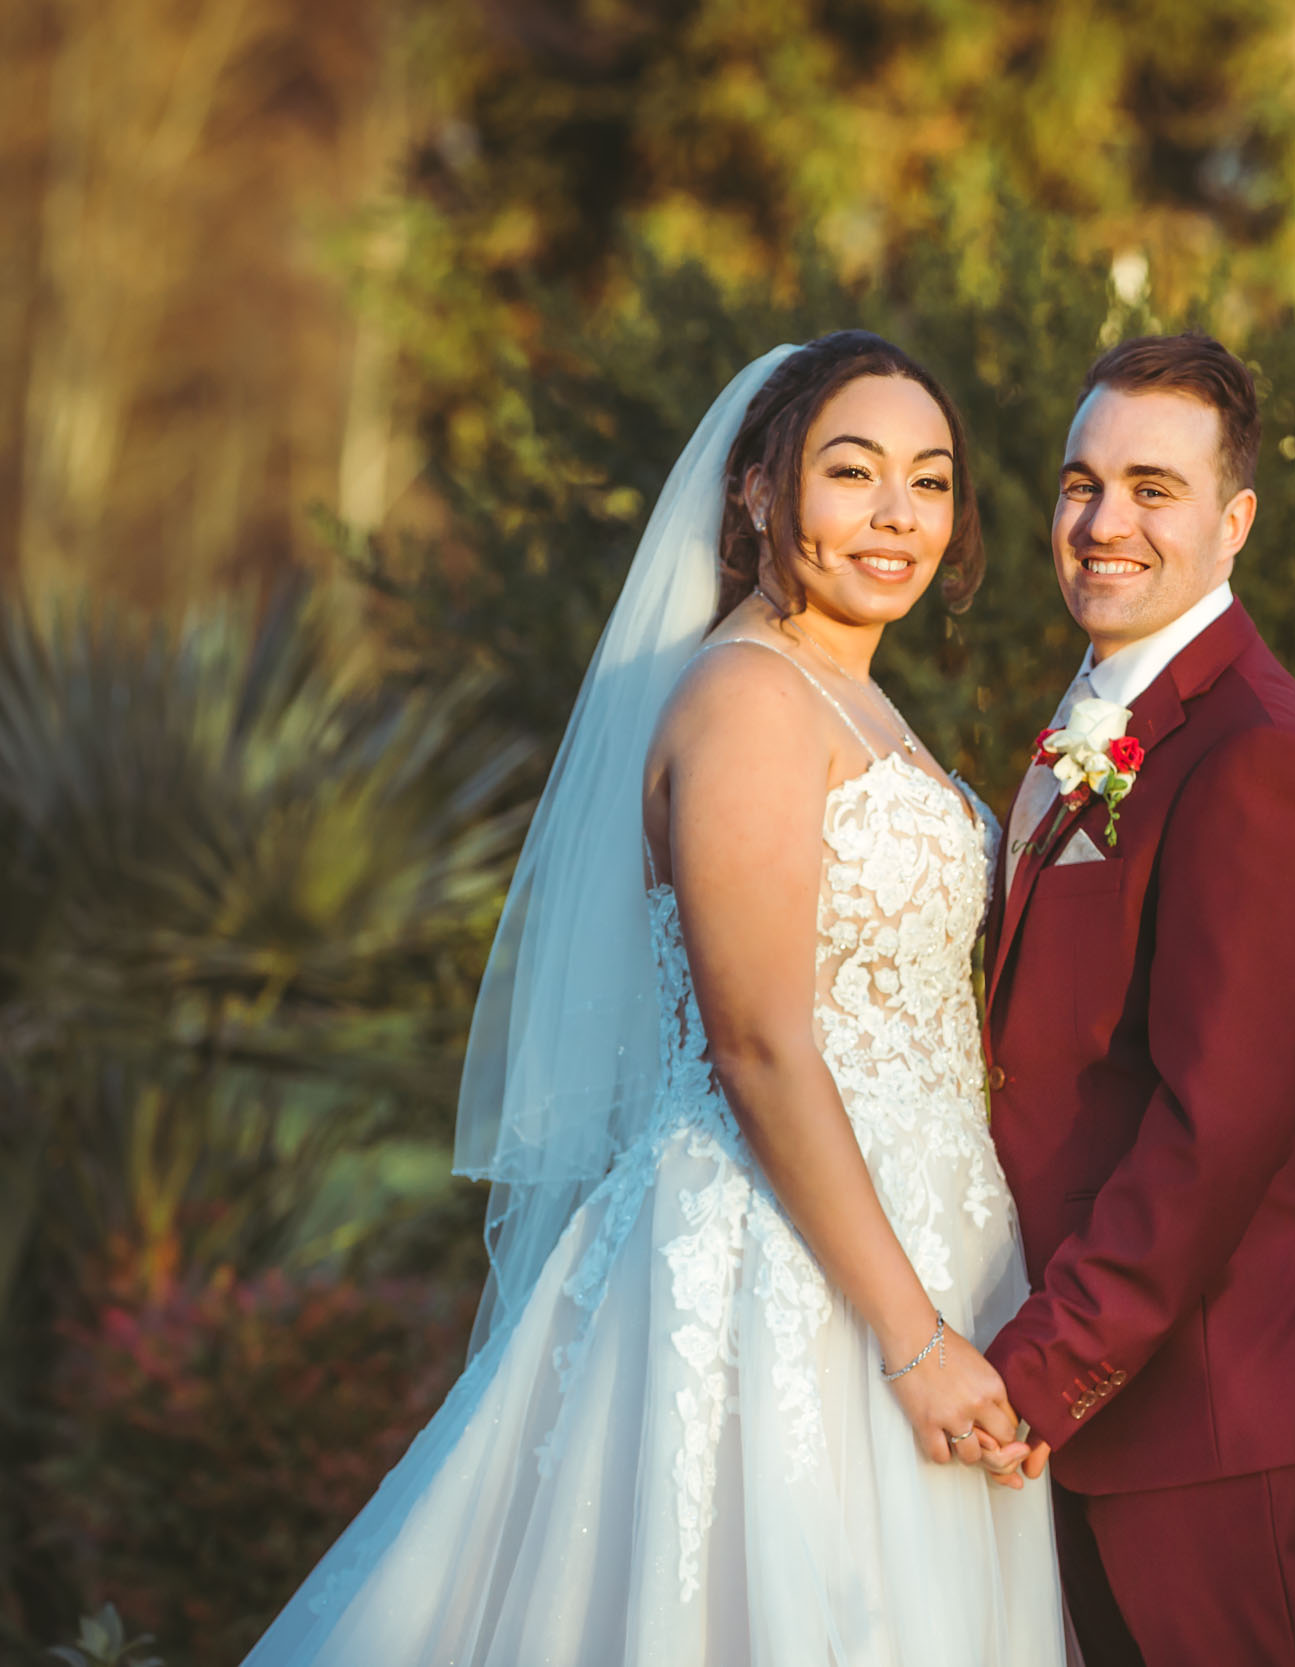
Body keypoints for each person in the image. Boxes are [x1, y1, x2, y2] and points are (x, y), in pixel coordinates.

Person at [242, 333, 1065, 1666]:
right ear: (754, 491)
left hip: (927, 1236)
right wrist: (916, 1345)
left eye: (930, 479)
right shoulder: (748, 695)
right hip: (786, 1268)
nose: (898, 515)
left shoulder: (859, 698)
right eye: (852, 472)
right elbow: (756, 1044)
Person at [981, 331, 1295, 1667]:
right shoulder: (1113, 709)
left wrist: (1042, 1373)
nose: (1103, 521)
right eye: (1081, 483)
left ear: (1235, 521)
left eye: (1151, 487)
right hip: (1130, 1410)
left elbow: (1216, 1132)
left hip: (1227, 1425)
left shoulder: (1255, 759)